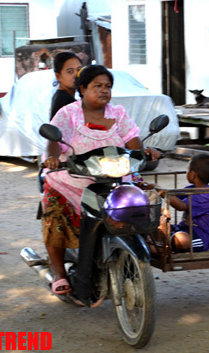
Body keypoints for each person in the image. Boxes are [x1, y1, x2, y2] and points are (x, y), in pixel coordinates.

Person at [42, 65, 160, 295]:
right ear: (83, 88)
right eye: (97, 86)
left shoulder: (118, 113)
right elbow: (54, 139)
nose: (104, 91)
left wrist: (143, 151)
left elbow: (132, 140)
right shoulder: (68, 113)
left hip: (116, 177)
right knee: (55, 213)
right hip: (75, 178)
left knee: (145, 204)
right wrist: (53, 157)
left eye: (108, 86)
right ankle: (59, 273)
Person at [152, 153, 209, 252]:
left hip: (200, 236)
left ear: (193, 174)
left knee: (181, 239)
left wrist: (163, 192)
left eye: (188, 170)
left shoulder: (205, 195)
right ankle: (165, 243)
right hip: (183, 228)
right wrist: (157, 189)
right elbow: (175, 196)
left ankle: (164, 247)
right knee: (156, 228)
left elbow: (180, 206)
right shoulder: (192, 189)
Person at [50, 51, 83, 120]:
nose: (76, 75)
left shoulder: (60, 96)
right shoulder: (65, 101)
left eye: (79, 70)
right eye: (70, 71)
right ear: (58, 76)